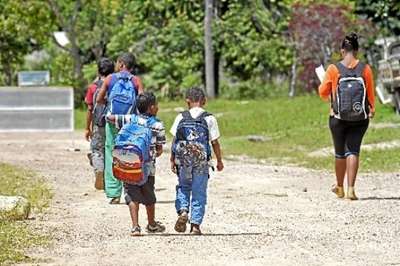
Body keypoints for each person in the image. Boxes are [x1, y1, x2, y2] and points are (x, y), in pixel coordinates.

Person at [319, 32, 375, 200]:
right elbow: (370, 94)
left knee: (340, 153)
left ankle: (340, 187)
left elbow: (323, 93)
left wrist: (327, 89)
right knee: (353, 150)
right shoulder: (365, 69)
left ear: (342, 51)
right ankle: (351, 189)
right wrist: (371, 110)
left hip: (337, 118)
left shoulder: (333, 69)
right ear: (356, 51)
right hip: (360, 117)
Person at [107, 92, 166, 236]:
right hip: (147, 167)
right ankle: (151, 224)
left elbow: (109, 118)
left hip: (129, 163)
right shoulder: (157, 125)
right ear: (151, 108)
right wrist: (155, 152)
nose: (157, 107)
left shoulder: (129, 119)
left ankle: (135, 226)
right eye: (156, 105)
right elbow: (159, 148)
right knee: (149, 195)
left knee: (132, 195)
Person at [170, 87, 224, 235]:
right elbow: (215, 143)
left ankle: (183, 211)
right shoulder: (209, 118)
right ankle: (195, 226)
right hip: (201, 160)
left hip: (183, 159)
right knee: (199, 190)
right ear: (204, 101)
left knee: (183, 186)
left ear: (187, 101)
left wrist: (172, 159)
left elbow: (175, 140)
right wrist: (219, 160)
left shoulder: (181, 117)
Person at [96, 52, 144, 204]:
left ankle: (113, 193)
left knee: (111, 153)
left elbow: (98, 99)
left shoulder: (110, 79)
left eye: (117, 63)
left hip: (112, 121)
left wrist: (109, 102)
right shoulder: (136, 81)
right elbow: (142, 101)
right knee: (128, 153)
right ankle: (130, 190)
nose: (116, 65)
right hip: (129, 122)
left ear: (122, 64)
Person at [84, 58, 115, 190]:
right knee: (112, 149)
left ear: (98, 71)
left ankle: (98, 169)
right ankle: (112, 178)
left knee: (97, 150)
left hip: (98, 124)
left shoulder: (93, 87)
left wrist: (87, 128)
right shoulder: (115, 85)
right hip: (114, 123)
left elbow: (90, 109)